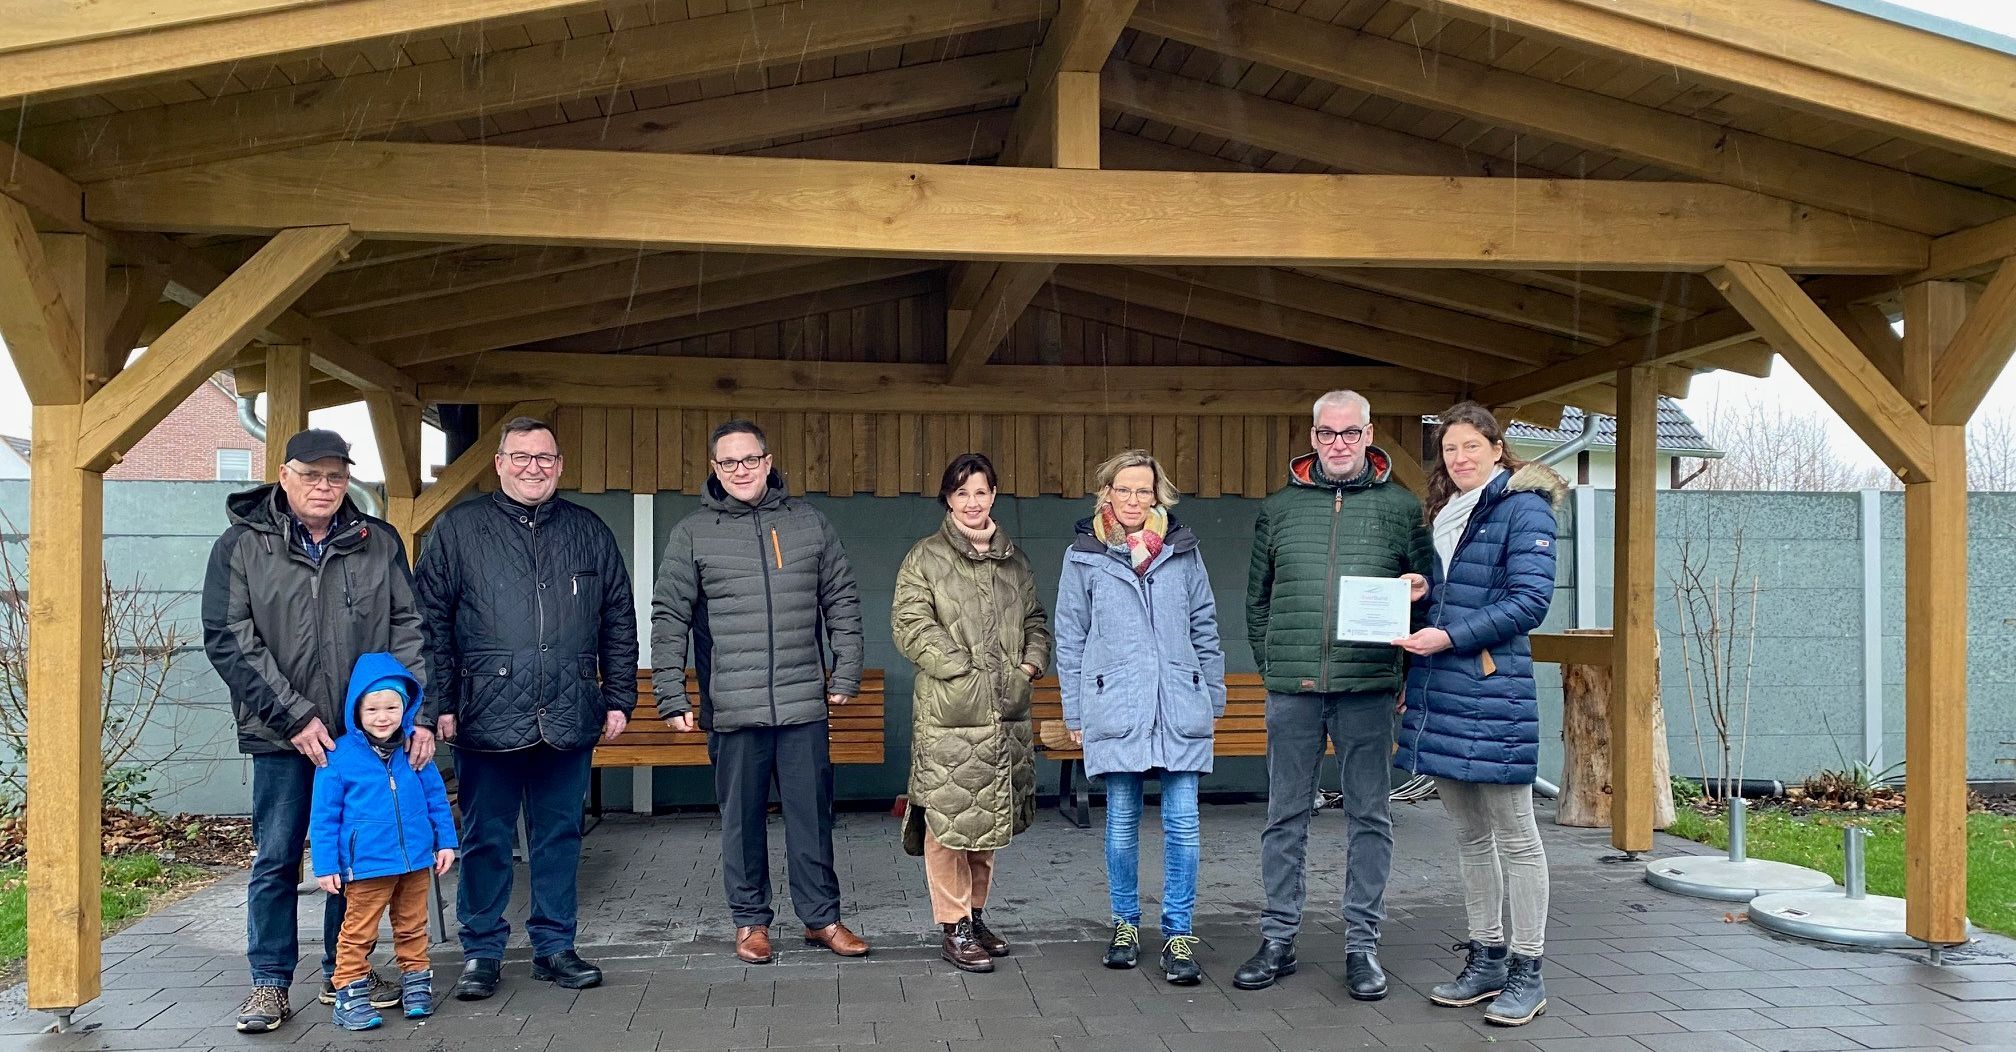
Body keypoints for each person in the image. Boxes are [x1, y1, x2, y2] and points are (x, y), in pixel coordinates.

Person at [202, 428, 429, 1034]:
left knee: (353, 857)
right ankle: (270, 983)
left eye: (335, 476)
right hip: (282, 737)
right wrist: (295, 716)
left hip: (364, 741)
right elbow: (229, 639)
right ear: (284, 475)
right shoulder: (241, 546)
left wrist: (407, 713)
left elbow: (408, 627)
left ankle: (343, 973)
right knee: (277, 857)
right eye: (312, 475)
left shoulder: (377, 542)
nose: (325, 487)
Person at [414, 416, 639, 1000]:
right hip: (483, 713)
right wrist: (437, 702)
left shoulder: (589, 531)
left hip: (567, 713)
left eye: (544, 457)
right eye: (521, 456)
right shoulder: (459, 530)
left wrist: (618, 696)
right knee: (485, 839)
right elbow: (428, 622)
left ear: (560, 465)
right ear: (499, 463)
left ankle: (555, 947)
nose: (533, 466)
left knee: (559, 836)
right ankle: (482, 953)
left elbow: (618, 618)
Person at [1237, 390, 1434, 999]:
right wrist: (1274, 667)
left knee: (1370, 816)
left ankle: (1362, 947)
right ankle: (1278, 939)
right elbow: (1256, 600)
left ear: (1369, 433)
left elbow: (1429, 595)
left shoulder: (1404, 510)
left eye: (1350, 432)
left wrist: (1409, 653)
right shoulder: (1278, 510)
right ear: (1312, 436)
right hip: (1292, 689)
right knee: (1283, 816)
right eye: (1328, 433)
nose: (1339, 443)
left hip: (1369, 686)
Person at [652, 419, 869, 964]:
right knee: (740, 822)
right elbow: (669, 616)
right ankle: (751, 923)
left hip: (802, 705)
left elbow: (841, 600)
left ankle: (822, 919)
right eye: (728, 462)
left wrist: (845, 674)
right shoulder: (693, 533)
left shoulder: (809, 524)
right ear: (714, 470)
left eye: (750, 459)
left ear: (769, 462)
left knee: (812, 817)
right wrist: (670, 693)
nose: (740, 470)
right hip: (732, 707)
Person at [1391, 402, 1563, 1028]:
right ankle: (1486, 957)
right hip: (1441, 690)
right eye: (1449, 449)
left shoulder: (1524, 509)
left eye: (1471, 446)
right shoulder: (1447, 515)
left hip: (1494, 694)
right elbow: (1459, 597)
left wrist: (1448, 636)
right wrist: (1422, 596)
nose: (1459, 459)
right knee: (1468, 837)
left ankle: (1528, 969)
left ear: (1497, 448)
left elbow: (1528, 602)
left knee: (1516, 836)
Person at [1054, 449, 1225, 987]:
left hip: (1178, 699)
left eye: (1143, 490)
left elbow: (1205, 625)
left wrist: (1212, 694)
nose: (1134, 499)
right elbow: (1070, 638)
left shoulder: (1183, 551)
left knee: (1183, 824)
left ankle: (1179, 933)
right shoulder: (1083, 556)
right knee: (1122, 822)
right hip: (1116, 702)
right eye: (1123, 489)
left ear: (1158, 494)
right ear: (1106, 492)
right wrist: (1075, 710)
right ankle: (1125, 925)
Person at [892, 453, 1051, 974]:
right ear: (948, 499)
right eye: (961, 493)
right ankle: (953, 924)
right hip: (950, 714)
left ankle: (975, 916)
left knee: (989, 820)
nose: (972, 503)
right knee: (947, 823)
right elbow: (911, 625)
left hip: (1005, 713)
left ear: (994, 496)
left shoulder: (1014, 560)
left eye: (980, 492)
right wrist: (963, 670)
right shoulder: (926, 557)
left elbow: (1035, 620)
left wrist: (1028, 666)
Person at [310, 654, 458, 1030]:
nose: (382, 716)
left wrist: (445, 842)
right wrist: (326, 864)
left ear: (405, 708)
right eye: (372, 708)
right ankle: (348, 993)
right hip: (368, 864)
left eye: (392, 707)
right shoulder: (338, 757)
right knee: (360, 931)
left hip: (414, 861)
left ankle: (416, 984)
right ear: (356, 709)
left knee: (412, 925)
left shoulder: (413, 751)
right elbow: (324, 817)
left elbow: (436, 800)